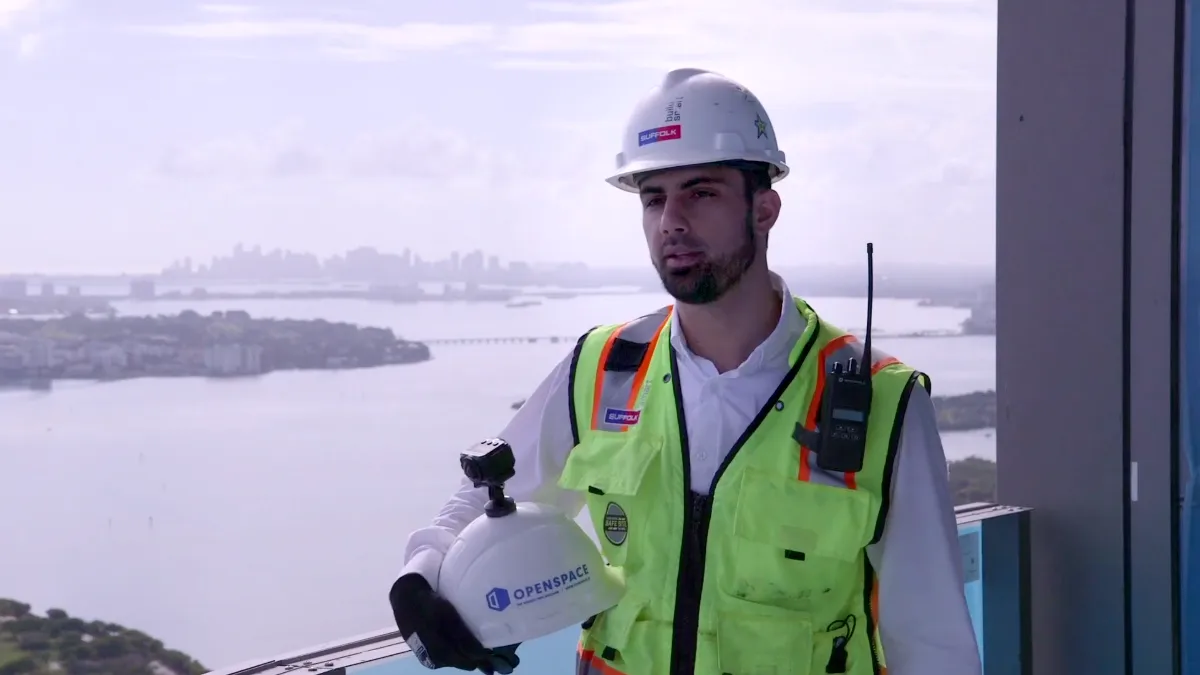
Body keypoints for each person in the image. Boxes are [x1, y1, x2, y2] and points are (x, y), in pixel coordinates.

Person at [388, 67, 982, 675]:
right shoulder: (604, 369)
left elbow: (932, 641)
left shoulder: (879, 401)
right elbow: (487, 499)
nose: (671, 220)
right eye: (654, 198)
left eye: (700, 193)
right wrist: (419, 579)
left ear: (764, 209)